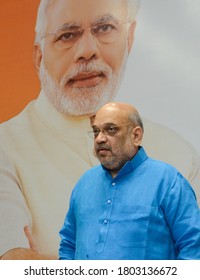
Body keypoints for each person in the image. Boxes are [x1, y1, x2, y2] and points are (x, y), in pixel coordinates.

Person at [0, 0, 199, 260]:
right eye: (67, 35)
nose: (87, 51)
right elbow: (15, 266)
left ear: (128, 39)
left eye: (104, 28)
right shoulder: (6, 147)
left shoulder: (179, 154)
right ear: (39, 57)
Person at [59, 102, 200, 260]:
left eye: (111, 129)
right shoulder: (85, 183)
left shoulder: (168, 182)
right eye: (96, 131)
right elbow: (69, 244)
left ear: (136, 136)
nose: (99, 139)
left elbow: (193, 247)